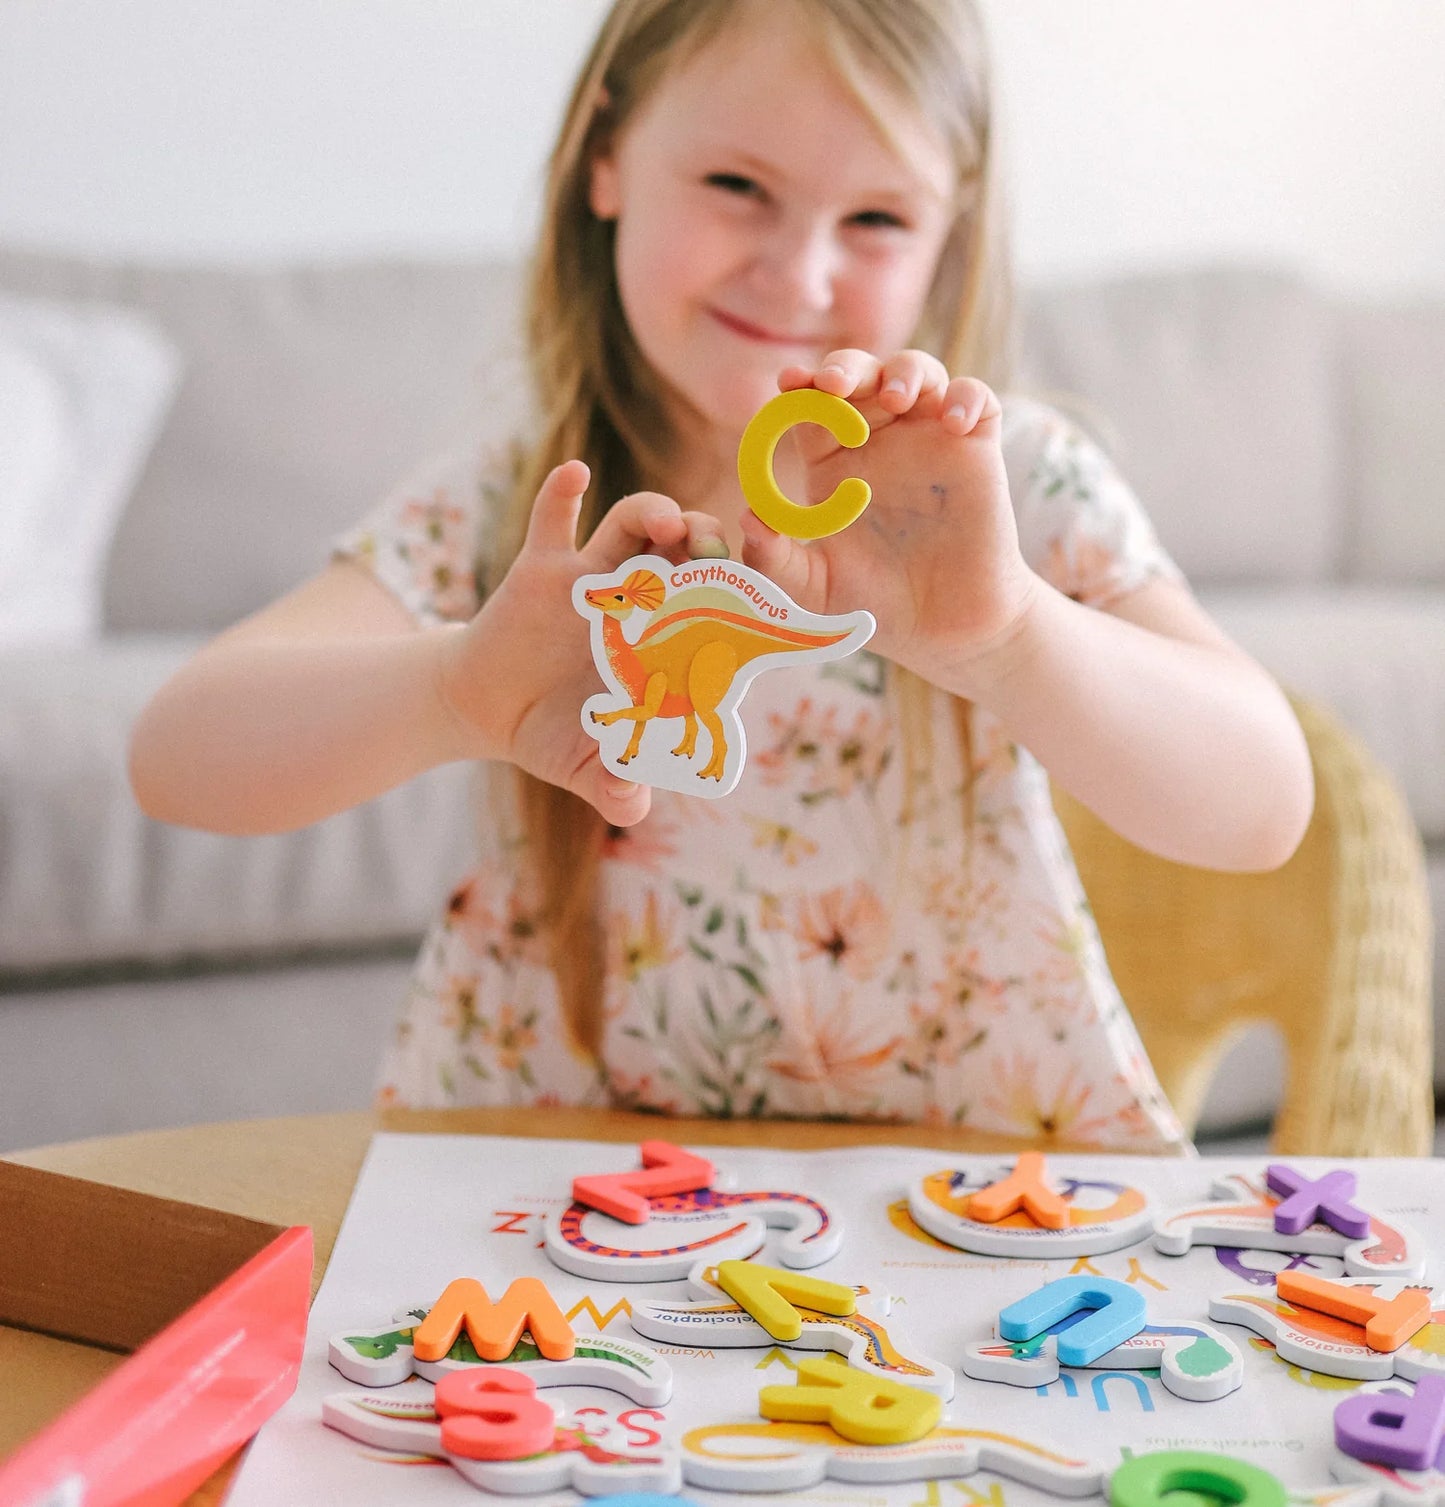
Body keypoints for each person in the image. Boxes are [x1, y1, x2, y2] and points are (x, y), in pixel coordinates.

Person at [129, 0, 1314, 1149]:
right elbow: (177, 759)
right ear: (607, 157)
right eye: (737, 188)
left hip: (953, 1214)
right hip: (553, 1206)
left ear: (949, 234)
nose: (798, 275)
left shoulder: (1013, 493)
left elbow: (1262, 806)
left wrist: (1006, 637)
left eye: (877, 220)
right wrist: (453, 691)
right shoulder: (513, 507)